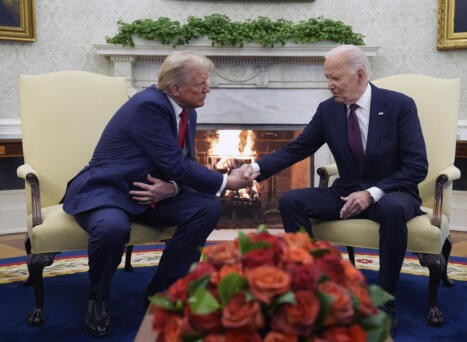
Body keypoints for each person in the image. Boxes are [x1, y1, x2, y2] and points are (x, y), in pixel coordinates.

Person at [62, 51, 253, 337]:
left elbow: (179, 165)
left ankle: (163, 289)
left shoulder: (187, 111)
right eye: (201, 83)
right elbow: (174, 164)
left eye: (206, 82)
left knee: (206, 209)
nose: (208, 89)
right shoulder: (148, 106)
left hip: (150, 192)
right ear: (175, 88)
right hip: (111, 190)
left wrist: (173, 188)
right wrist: (227, 181)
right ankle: (98, 298)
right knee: (112, 228)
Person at [241, 44, 428, 334]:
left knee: (391, 210)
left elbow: (417, 167)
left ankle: (386, 302)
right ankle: (308, 289)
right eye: (327, 78)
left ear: (360, 75)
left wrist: (372, 193)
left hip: (393, 192)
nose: (329, 86)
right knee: (292, 201)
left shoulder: (399, 105)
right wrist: (255, 169)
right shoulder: (328, 111)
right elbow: (297, 149)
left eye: (335, 78)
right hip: (346, 190)